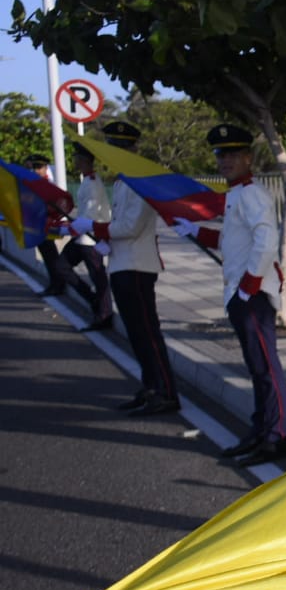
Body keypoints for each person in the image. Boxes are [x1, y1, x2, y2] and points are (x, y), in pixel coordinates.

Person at [173, 124, 286, 467]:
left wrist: (248, 287)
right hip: (241, 294)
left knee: (266, 368)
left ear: (248, 158)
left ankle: (277, 435)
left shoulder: (252, 193)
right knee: (257, 368)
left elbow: (266, 242)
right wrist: (196, 231)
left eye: (232, 155)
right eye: (220, 155)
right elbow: (232, 242)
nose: (225, 161)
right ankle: (262, 430)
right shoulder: (237, 194)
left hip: (250, 296)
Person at [87, 121, 181, 416]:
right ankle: (151, 387)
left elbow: (130, 226)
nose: (116, 154)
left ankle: (166, 392)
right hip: (123, 264)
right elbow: (122, 227)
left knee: (148, 333)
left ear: (132, 149)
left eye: (121, 148)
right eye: (113, 148)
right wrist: (105, 240)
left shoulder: (141, 179)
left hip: (138, 267)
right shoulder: (122, 180)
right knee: (136, 334)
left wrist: (94, 226)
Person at [59, 143, 115, 332]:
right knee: (62, 266)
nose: (73, 160)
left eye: (76, 157)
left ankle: (105, 315)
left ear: (83, 161)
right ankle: (93, 301)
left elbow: (90, 214)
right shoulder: (87, 180)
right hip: (82, 237)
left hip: (90, 238)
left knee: (99, 278)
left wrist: (70, 229)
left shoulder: (92, 183)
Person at [25, 154, 74, 298]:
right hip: (38, 225)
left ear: (46, 168)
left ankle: (57, 285)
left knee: (51, 256)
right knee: (47, 256)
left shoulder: (48, 184)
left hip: (47, 224)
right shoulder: (35, 183)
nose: (36, 171)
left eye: (39, 167)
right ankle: (54, 284)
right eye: (34, 167)